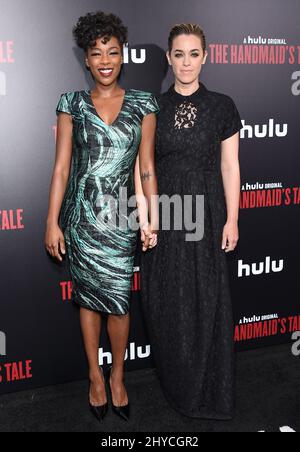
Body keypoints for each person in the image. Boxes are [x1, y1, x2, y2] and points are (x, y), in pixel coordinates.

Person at [44, 11, 159, 423]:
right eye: (97, 53)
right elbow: (61, 168)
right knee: (88, 302)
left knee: (120, 304)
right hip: (81, 219)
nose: (105, 59)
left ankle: (118, 377)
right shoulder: (71, 104)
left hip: (119, 219)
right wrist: (51, 221)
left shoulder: (144, 104)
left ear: (122, 55)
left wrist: (151, 217)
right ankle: (95, 376)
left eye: (112, 51)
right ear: (87, 60)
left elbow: (145, 167)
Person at [141, 24, 243, 420]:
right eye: (178, 54)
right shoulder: (151, 107)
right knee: (167, 302)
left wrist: (232, 219)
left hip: (207, 212)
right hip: (166, 212)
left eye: (193, 54)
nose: (186, 62)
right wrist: (147, 218)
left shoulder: (222, 105)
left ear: (205, 56)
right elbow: (143, 166)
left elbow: (230, 166)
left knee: (206, 299)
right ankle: (178, 383)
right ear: (168, 58)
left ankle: (208, 387)